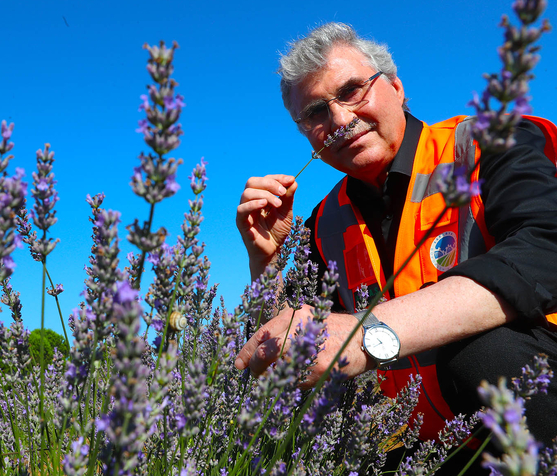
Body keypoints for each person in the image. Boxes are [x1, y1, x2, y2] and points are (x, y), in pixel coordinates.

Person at [233, 21, 557, 460]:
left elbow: (545, 249)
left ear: (397, 88)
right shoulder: (324, 221)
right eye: (315, 113)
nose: (340, 120)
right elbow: (289, 352)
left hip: (532, 407)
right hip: (426, 448)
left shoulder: (487, 143)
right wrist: (266, 262)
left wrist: (364, 336)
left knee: (482, 351)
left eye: (351, 90)